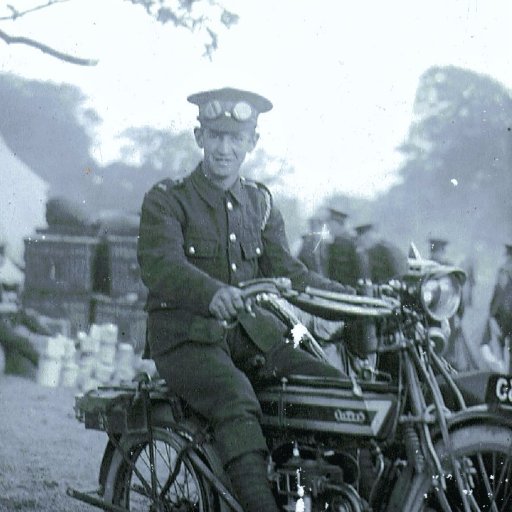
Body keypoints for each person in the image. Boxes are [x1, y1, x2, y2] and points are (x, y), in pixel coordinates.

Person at [137, 87, 355, 512]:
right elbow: (161, 265)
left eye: (236, 139)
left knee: (335, 390)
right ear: (199, 137)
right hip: (186, 338)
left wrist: (358, 300)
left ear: (251, 143)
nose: (224, 148)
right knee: (236, 399)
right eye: (216, 136)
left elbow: (290, 273)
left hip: (252, 337)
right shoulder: (168, 199)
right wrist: (212, 293)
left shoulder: (260, 202)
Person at [481, 244, 512, 372]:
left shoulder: (504, 270)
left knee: (499, 349)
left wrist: (492, 315)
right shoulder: (505, 270)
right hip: (504, 316)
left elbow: (499, 295)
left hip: (504, 316)